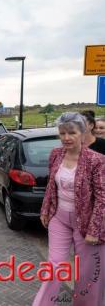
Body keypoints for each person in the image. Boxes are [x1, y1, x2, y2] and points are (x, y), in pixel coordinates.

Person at [33, 112, 105, 306]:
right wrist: (45, 210)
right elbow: (51, 185)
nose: (66, 138)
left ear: (82, 132)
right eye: (62, 133)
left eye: (71, 132)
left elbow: (102, 198)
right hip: (60, 218)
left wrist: (94, 230)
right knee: (55, 267)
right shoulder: (56, 154)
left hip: (88, 223)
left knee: (87, 275)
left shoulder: (96, 160)